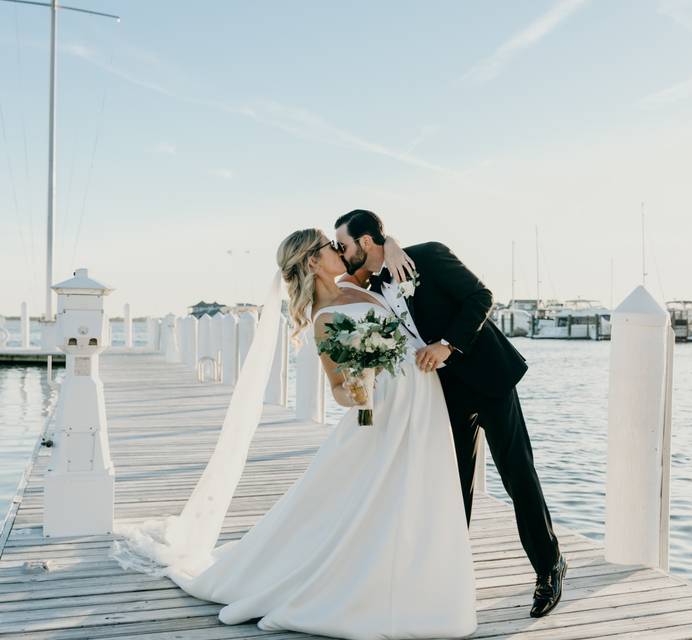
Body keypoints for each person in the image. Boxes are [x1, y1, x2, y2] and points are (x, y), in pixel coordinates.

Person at [111, 229, 477, 639]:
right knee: (378, 499)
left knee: (421, 491)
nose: (338, 249)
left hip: (422, 399)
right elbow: (339, 390)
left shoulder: (360, 289)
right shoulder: (324, 319)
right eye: (328, 246)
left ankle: (417, 582)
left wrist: (389, 242)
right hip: (382, 413)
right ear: (312, 262)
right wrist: (359, 383)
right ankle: (371, 588)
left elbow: (382, 257)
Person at [335, 209, 566, 618]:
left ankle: (549, 567)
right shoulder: (372, 283)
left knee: (517, 473)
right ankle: (449, 577)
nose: (341, 250)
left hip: (489, 376)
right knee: (453, 485)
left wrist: (448, 345)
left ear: (366, 242)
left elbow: (482, 297)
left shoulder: (426, 255)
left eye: (345, 244)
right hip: (444, 393)